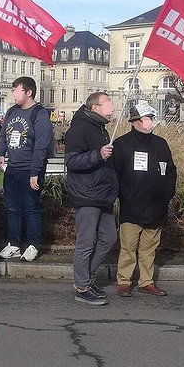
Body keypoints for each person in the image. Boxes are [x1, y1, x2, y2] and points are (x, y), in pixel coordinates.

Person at [111, 100, 177, 297]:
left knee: (150, 248)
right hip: (132, 206)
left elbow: (171, 171)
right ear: (134, 121)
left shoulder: (161, 144)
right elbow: (114, 174)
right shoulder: (122, 144)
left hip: (156, 206)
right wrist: (123, 195)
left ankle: (146, 281)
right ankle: (124, 281)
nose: (149, 122)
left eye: (150, 118)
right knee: (128, 247)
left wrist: (167, 193)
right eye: (146, 118)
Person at [64, 92, 119, 305]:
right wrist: (98, 155)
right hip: (86, 194)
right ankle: (82, 287)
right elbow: (73, 161)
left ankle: (87, 277)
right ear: (95, 107)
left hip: (102, 193)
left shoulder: (100, 128)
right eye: (108, 103)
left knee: (109, 238)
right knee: (86, 242)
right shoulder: (79, 128)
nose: (112, 107)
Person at [0, 77, 54, 262]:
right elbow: (4, 135)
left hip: (30, 169)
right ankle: (13, 244)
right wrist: (0, 154)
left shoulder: (40, 114)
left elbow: (41, 147)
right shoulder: (12, 111)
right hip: (12, 168)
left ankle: (33, 245)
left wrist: (35, 172)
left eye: (17, 90)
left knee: (31, 208)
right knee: (12, 208)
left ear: (28, 92)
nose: (13, 93)